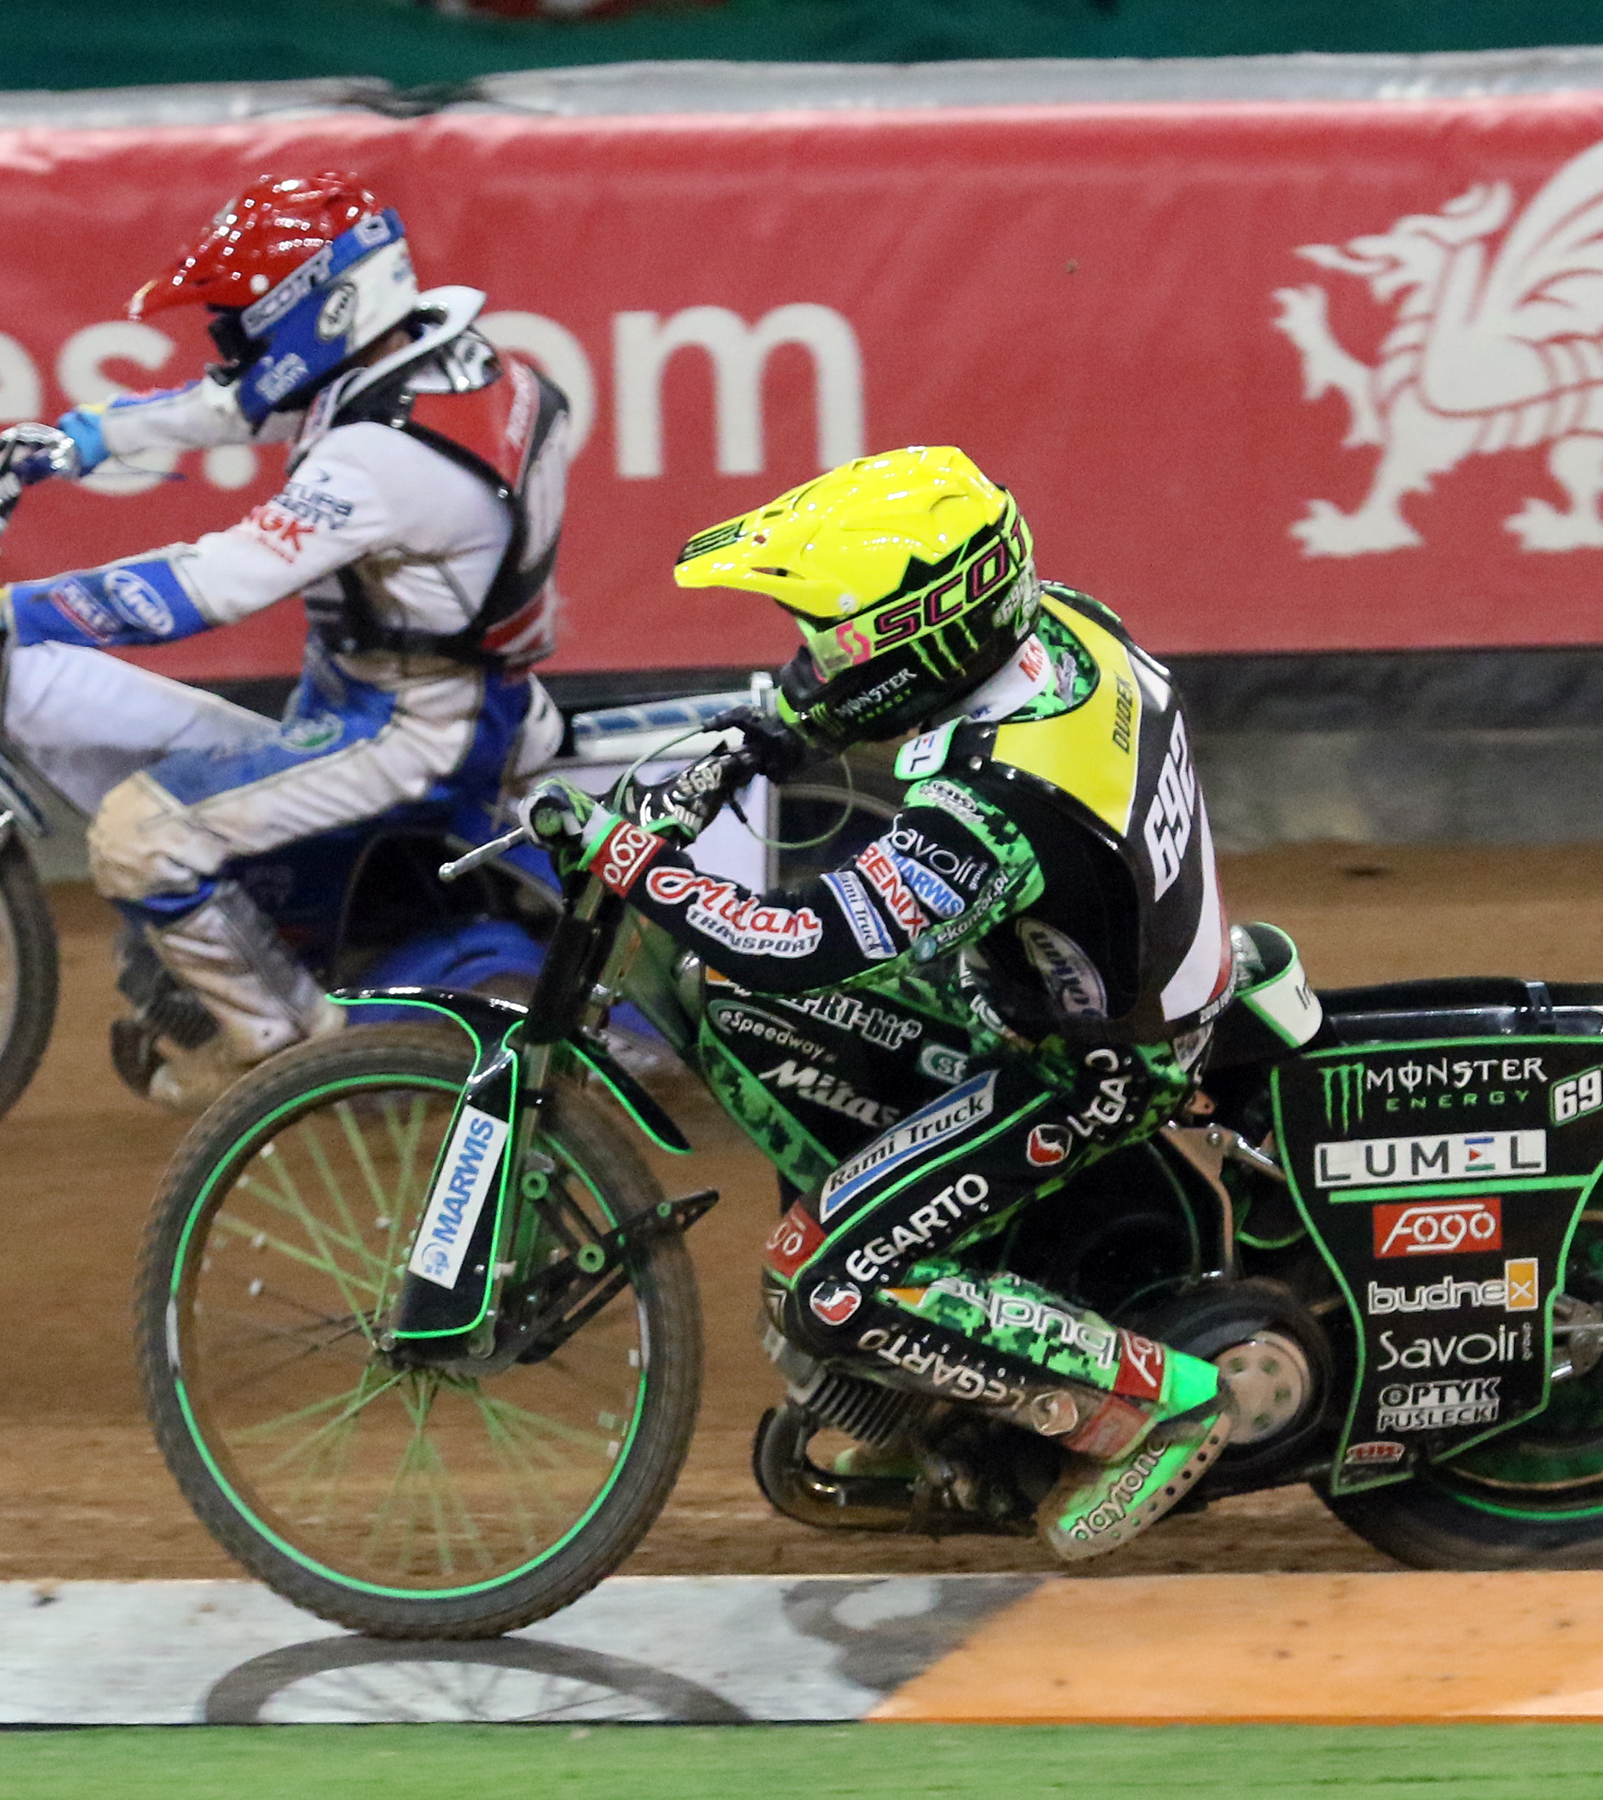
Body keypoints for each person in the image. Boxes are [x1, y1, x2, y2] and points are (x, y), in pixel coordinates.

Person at [524, 446, 1314, 1560]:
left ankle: (1157, 1405)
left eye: (837, 638)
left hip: (1088, 1069)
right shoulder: (1059, 622)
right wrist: (763, 731)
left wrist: (635, 863)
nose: (819, 656)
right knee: (766, 1032)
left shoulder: (1000, 804)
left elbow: (801, 943)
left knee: (825, 1288)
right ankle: (944, 1392)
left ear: (923, 638)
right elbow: (859, 695)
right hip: (1079, 974)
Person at [0, 173, 575, 1106]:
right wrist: (84, 439)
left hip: (411, 729)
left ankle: (291, 1057)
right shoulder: (451, 363)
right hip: (437, 690)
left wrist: (13, 610)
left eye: (242, 328)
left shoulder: (380, 457)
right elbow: (237, 404)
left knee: (140, 835)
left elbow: (207, 587)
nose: (233, 349)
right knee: (215, 801)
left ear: (325, 308)